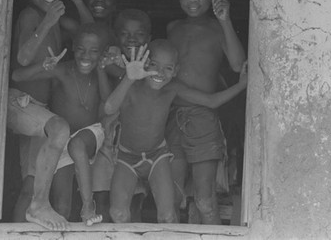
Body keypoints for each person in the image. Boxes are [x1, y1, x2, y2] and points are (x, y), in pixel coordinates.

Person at [104, 41, 247, 223]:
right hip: (126, 157)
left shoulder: (172, 88)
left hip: (157, 157)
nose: (160, 73)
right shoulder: (131, 84)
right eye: (154, 65)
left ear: (176, 70)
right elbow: (109, 108)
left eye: (168, 68)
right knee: (118, 214)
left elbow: (211, 101)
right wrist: (129, 78)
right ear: (144, 62)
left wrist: (242, 85)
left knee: (168, 216)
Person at [8, 0, 90, 230]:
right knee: (59, 129)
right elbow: (21, 59)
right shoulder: (32, 15)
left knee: (30, 185)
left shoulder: (55, 17)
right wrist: (47, 22)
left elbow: (90, 34)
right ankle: (39, 206)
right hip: (21, 100)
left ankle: (22, 225)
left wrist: (76, 0)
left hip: (38, 109)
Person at [165, 0, 247, 224]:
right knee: (172, 198)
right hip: (172, 117)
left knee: (205, 200)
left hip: (203, 118)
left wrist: (225, 19)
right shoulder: (172, 28)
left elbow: (237, 64)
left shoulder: (216, 28)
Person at [12, 23, 111, 226]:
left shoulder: (99, 74)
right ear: (73, 47)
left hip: (83, 137)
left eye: (94, 51)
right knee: (45, 197)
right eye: (81, 49)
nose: (86, 56)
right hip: (57, 140)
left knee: (76, 150)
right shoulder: (63, 70)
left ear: (101, 53)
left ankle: (87, 206)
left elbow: (108, 102)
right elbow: (17, 76)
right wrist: (44, 65)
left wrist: (101, 69)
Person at [93, 8, 152, 222]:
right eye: (125, 34)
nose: (132, 39)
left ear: (149, 38)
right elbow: (107, 105)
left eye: (139, 34)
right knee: (100, 205)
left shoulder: (152, 67)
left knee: (131, 208)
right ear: (116, 37)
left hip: (133, 148)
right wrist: (102, 68)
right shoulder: (110, 62)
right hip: (106, 143)